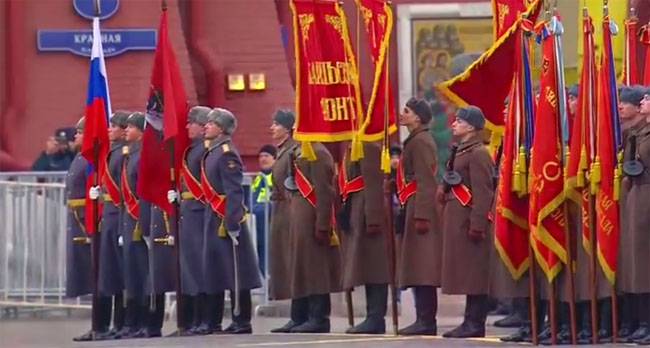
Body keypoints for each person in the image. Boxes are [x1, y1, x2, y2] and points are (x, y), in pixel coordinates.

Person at [201, 108, 262, 334]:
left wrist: (232, 223)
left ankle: (241, 320)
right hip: (214, 217)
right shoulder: (213, 150)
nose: (206, 125)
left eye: (211, 123)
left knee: (236, 272)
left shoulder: (226, 153)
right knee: (215, 270)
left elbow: (234, 191)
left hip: (226, 219)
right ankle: (213, 320)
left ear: (222, 128)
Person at [439, 106, 494, 338]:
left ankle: (474, 323)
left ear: (471, 126)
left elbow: (483, 192)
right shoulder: (462, 150)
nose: (454, 124)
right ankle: (468, 321)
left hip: (470, 221)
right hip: (460, 219)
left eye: (459, 121)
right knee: (468, 273)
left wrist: (477, 224)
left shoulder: (479, 153)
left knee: (475, 275)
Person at [395, 97, 442, 335]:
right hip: (412, 204)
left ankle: (427, 321)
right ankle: (422, 319)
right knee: (415, 265)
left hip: (420, 207)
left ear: (418, 117)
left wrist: (422, 214)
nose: (401, 114)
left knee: (423, 267)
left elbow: (426, 179)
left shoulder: (421, 142)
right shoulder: (414, 140)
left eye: (406, 111)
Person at [167, 106, 212, 335]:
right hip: (188, 213)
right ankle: (190, 321)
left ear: (202, 126)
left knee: (198, 269)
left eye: (191, 123)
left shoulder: (204, 151)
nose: (187, 127)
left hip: (198, 213)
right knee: (188, 269)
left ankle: (201, 320)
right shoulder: (192, 150)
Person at [288, 140, 341, 333]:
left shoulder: (318, 152)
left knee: (315, 269)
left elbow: (325, 192)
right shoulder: (302, 150)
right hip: (301, 218)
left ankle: (319, 317)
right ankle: (301, 315)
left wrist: (322, 225)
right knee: (302, 268)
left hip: (313, 217)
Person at [339, 141, 390, 334]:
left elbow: (373, 184)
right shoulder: (356, 145)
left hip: (367, 213)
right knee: (368, 267)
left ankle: (376, 318)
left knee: (375, 267)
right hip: (358, 209)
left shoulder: (369, 147)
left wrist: (374, 219)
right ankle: (372, 317)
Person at [267, 110, 307, 333]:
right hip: (282, 211)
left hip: (291, 210)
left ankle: (302, 314)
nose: (271, 128)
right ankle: (297, 315)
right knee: (287, 264)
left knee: (295, 263)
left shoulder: (295, 150)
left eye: (276, 124)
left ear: (288, 127)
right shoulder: (283, 150)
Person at [115, 112, 152, 339]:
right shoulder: (131, 155)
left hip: (140, 221)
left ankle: (142, 322)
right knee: (131, 276)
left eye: (131, 127)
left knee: (141, 275)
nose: (126, 130)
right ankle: (132, 323)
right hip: (130, 220)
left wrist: (145, 224)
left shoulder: (144, 156)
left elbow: (145, 194)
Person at [93, 110, 130, 339]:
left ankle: (123, 322)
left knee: (122, 273)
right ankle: (116, 324)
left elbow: (126, 189)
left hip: (120, 214)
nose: (109, 129)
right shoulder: (113, 152)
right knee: (111, 272)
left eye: (114, 126)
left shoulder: (123, 154)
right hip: (110, 214)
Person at [619, 87, 650, 344]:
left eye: (648, 99)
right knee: (635, 262)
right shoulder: (636, 133)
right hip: (636, 196)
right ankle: (639, 321)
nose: (644, 102)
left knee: (645, 263)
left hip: (648, 196)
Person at [67, 117, 103, 341]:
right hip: (79, 222)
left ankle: (101, 325)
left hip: (87, 221)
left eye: (79, 132)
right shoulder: (81, 157)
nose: (76, 137)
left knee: (99, 276)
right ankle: (97, 325)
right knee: (90, 276)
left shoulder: (92, 159)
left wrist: (87, 224)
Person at [251, 144, 276, 275]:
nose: (262, 159)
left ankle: (270, 282)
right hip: (258, 217)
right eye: (260, 156)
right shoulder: (259, 176)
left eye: (266, 156)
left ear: (275, 159)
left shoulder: (277, 175)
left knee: (268, 249)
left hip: (270, 217)